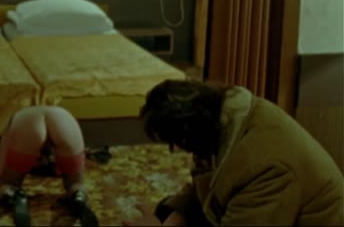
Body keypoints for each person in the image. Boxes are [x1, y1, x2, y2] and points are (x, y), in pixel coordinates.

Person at [123, 79, 344, 226]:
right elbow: (205, 181)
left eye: (177, 143)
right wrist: (176, 215)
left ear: (189, 133)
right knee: (168, 210)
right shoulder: (225, 119)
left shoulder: (265, 168)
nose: (177, 150)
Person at [0, 105, 98, 227]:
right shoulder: (59, 112)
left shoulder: (18, 118)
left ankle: (14, 196)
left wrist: (11, 175)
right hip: (65, 120)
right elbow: (60, 169)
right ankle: (78, 197)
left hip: (28, 124)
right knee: (76, 184)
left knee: (8, 185)